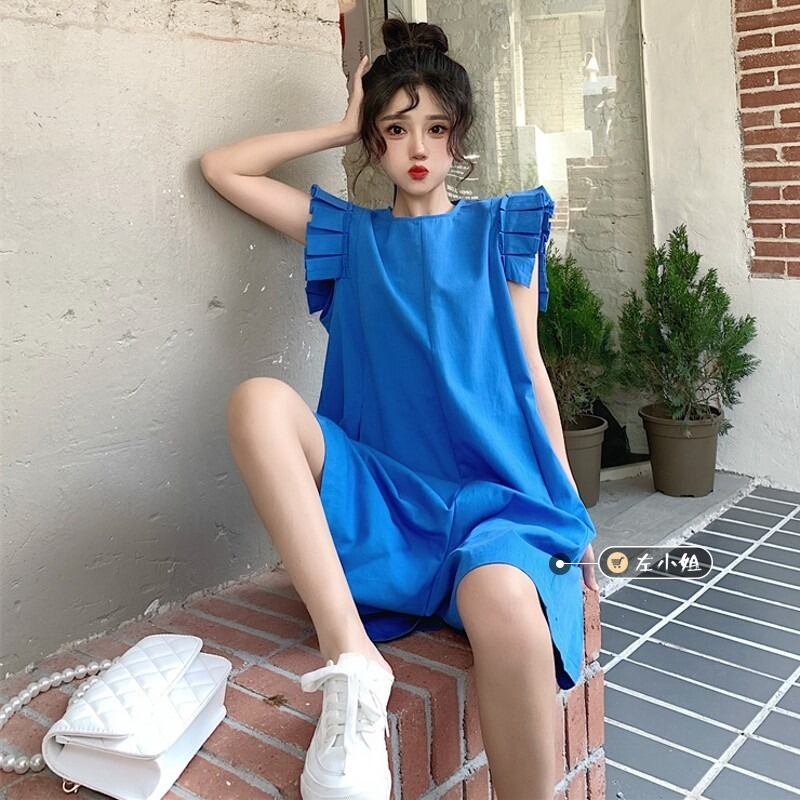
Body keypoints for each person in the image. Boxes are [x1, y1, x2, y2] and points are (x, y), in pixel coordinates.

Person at [200, 16, 598, 800]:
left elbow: (530, 373)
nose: (418, 148)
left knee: (505, 602)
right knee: (257, 402)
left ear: (458, 138)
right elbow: (223, 168)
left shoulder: (500, 231)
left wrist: (570, 510)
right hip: (383, 496)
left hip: (492, 504)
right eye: (394, 128)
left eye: (436, 128)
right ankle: (352, 657)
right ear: (374, 143)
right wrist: (338, 124)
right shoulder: (350, 237)